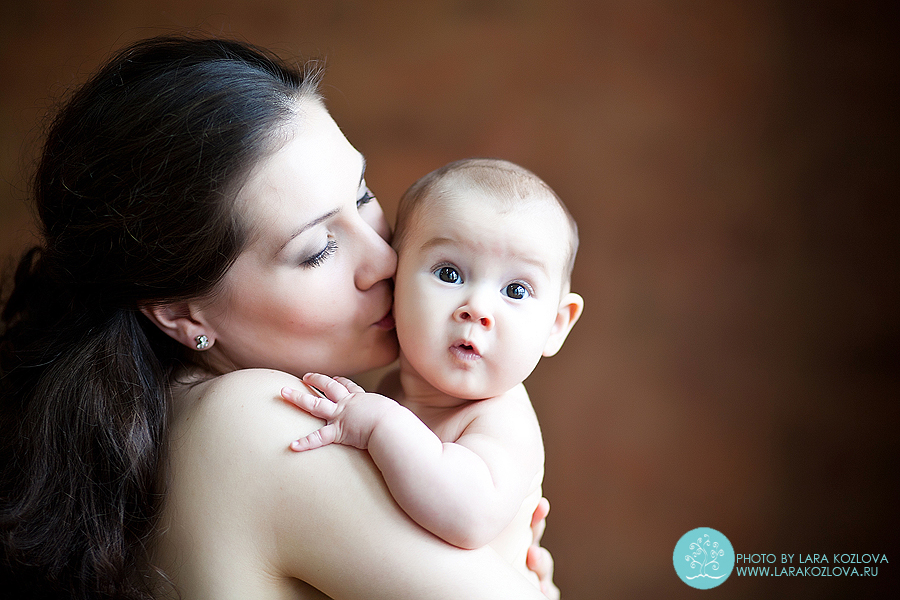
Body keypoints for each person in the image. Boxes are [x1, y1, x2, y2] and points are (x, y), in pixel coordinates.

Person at [0, 36, 558, 600]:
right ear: (176, 310)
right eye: (318, 249)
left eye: (363, 196)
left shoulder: (155, 424)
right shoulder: (251, 421)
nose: (386, 259)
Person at [281, 158, 583, 586]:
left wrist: (380, 426)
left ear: (556, 324)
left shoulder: (502, 419)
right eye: (449, 273)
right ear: (396, 279)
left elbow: (469, 516)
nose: (477, 308)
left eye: (515, 290)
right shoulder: (390, 390)